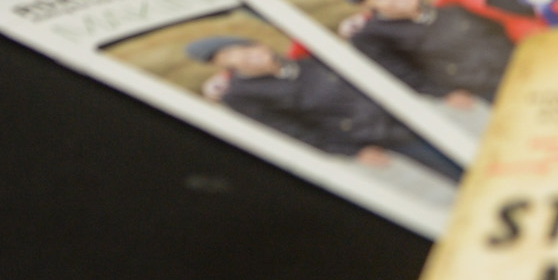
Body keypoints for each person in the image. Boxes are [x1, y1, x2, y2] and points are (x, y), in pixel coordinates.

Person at [187, 36, 451, 170]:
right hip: (372, 133)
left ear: (262, 47)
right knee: (445, 164)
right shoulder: (241, 95)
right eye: (228, 58)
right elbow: (288, 130)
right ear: (221, 66)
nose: (245, 58)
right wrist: (350, 150)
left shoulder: (307, 61)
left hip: (404, 111)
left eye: (246, 49)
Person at [335, 0, 516, 108]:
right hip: (479, 86)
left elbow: (495, 32)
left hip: (516, 68)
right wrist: (442, 93)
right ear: (368, 5)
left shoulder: (450, 11)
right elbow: (398, 72)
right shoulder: (371, 35)